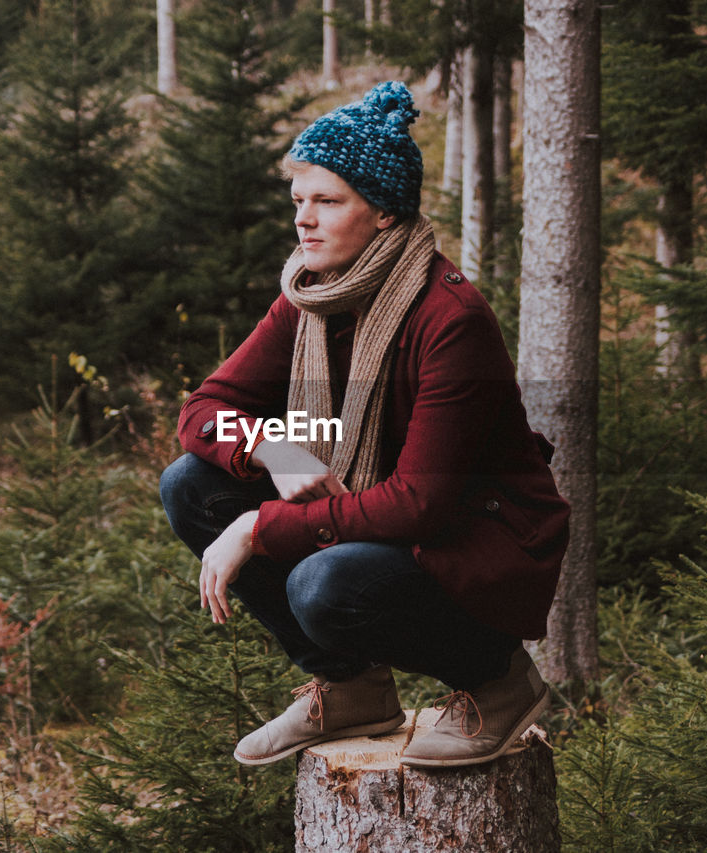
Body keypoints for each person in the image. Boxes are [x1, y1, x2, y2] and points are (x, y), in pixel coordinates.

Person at [158, 81, 569, 768]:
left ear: (382, 211)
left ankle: (498, 682)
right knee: (190, 485)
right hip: (383, 522)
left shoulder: (449, 318)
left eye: (328, 201)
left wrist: (260, 527)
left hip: (479, 540)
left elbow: (419, 502)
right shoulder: (310, 299)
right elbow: (201, 410)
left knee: (322, 585)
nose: (304, 221)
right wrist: (267, 445)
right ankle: (352, 688)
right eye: (299, 201)